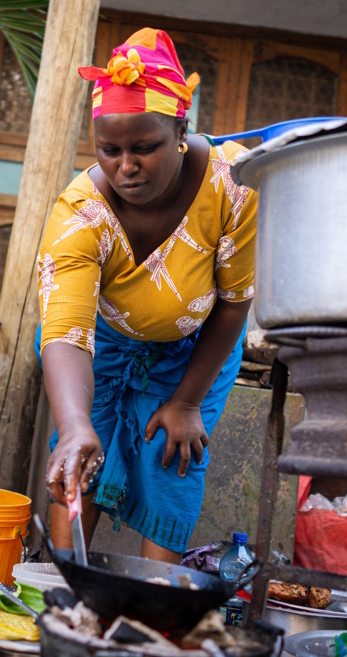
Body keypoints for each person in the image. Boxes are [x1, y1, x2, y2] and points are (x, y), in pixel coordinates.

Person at [39, 28, 256, 562]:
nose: (126, 167)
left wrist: (185, 401)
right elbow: (66, 331)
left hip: (198, 345)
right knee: (81, 453)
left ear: (181, 129)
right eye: (109, 150)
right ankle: (64, 592)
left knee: (172, 456)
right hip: (105, 341)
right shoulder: (79, 214)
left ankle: (156, 602)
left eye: (145, 148)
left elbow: (234, 302)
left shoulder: (233, 185)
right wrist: (73, 427)